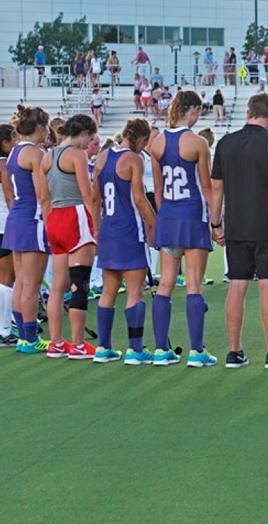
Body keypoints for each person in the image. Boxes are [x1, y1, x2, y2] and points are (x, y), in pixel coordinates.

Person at [211, 92, 268, 369]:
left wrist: (216, 223)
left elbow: (216, 187)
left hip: (237, 224)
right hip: (266, 224)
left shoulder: (225, 143)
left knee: (237, 286)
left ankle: (234, 351)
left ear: (248, 111)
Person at [149, 91, 222, 367]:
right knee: (194, 284)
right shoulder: (197, 142)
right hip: (192, 215)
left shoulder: (156, 143)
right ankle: (197, 351)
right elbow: (207, 186)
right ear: (190, 110)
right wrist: (217, 222)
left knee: (165, 283)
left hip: (168, 214)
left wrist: (165, 215)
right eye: (198, 111)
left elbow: (157, 190)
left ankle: (159, 350)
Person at [90, 119, 157, 364]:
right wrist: (155, 224)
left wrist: (98, 229)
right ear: (140, 139)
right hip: (130, 230)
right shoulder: (133, 159)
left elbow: (94, 198)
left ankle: (103, 347)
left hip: (108, 229)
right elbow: (139, 199)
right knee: (135, 291)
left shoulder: (102, 157)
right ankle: (135, 349)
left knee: (108, 290)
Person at [39, 114, 98, 359]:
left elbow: (43, 197)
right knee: (79, 283)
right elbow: (88, 194)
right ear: (83, 133)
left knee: (57, 286)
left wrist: (49, 222)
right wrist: (97, 225)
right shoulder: (77, 154)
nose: (90, 142)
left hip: (54, 218)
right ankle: (78, 344)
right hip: (75, 215)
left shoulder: (47, 156)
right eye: (90, 137)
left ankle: (57, 343)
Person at [1, 106, 50, 354]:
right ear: (40, 127)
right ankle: (30, 339)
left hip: (17, 219)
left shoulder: (13, 152)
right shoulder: (35, 153)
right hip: (33, 220)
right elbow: (43, 194)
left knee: (21, 282)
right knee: (31, 284)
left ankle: (23, 336)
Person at [0, 125, 15, 346]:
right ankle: (4, 330)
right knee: (6, 279)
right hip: (4, 225)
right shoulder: (4, 164)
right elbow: (10, 198)